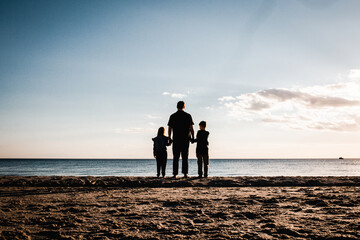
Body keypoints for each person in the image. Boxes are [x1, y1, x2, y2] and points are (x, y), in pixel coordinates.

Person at [168, 101, 194, 178]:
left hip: (176, 138)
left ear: (177, 106)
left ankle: (175, 174)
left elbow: (170, 128)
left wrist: (169, 137)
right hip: (185, 138)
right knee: (185, 157)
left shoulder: (173, 116)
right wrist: (193, 137)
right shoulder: (188, 115)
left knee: (176, 157)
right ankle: (185, 174)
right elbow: (191, 128)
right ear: (184, 106)